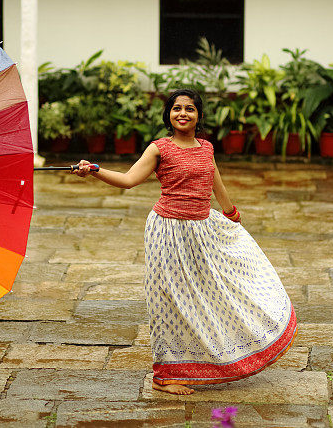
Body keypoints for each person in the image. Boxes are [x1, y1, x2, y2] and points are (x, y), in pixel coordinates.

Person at [72, 89, 296, 395]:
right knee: (170, 301)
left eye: (189, 109)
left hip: (203, 230)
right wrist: (94, 170)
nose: (182, 113)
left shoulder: (206, 148)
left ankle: (211, 358)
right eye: (176, 109)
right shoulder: (159, 149)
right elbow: (128, 180)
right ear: (168, 116)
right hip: (167, 232)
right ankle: (165, 374)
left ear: (199, 117)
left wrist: (232, 214)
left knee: (212, 293)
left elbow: (216, 182)